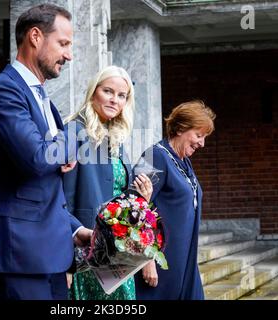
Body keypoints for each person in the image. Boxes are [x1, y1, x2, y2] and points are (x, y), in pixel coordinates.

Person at [0, 4, 92, 300]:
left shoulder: (44, 100)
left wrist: (75, 231)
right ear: (35, 36)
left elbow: (44, 183)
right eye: (63, 43)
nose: (69, 55)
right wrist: (76, 131)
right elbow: (37, 160)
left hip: (49, 253)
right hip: (18, 253)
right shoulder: (3, 90)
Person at [63, 65, 153, 300]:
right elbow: (61, 200)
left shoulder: (115, 138)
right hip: (88, 253)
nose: (115, 100)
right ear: (94, 92)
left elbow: (118, 195)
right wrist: (66, 260)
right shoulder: (75, 132)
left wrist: (141, 197)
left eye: (121, 95)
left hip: (118, 254)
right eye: (108, 91)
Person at [134, 100, 216, 300]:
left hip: (186, 263)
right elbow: (133, 208)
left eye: (204, 137)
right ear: (180, 128)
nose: (202, 143)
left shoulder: (184, 162)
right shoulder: (154, 156)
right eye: (198, 135)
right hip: (161, 267)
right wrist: (147, 260)